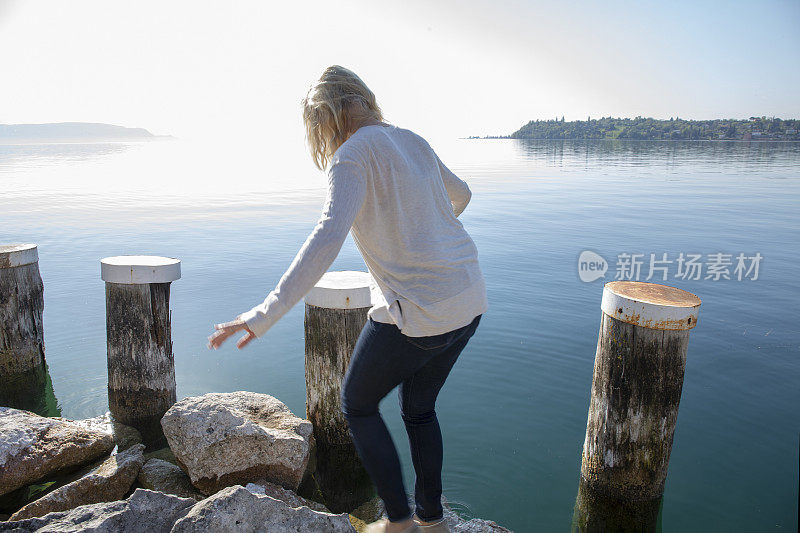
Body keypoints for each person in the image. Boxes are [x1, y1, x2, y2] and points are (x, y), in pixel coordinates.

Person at [208, 65, 488, 533]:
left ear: (325, 116)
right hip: (469, 296)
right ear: (362, 99)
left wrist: (264, 313)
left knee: (356, 404)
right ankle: (432, 520)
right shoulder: (411, 139)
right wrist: (424, 229)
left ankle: (399, 521)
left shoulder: (351, 157)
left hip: (421, 309)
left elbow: (328, 236)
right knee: (419, 407)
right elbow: (461, 195)